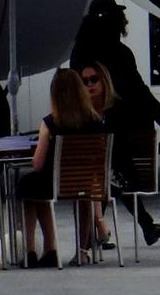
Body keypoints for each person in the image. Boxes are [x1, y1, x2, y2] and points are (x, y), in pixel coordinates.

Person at [16, 68, 106, 267]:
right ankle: (81, 251)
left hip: (54, 185)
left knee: (28, 185)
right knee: (81, 196)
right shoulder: (96, 123)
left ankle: (33, 248)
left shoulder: (50, 123)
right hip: (84, 184)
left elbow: (38, 164)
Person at [78, 60, 160, 247]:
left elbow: (119, 148)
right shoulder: (81, 113)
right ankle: (145, 227)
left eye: (94, 80)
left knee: (108, 183)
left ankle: (92, 237)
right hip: (96, 174)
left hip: (122, 171)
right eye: (84, 81)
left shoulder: (116, 110)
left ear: (104, 81)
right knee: (100, 182)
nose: (89, 85)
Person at [70, 0, 160, 139]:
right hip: (123, 128)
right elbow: (138, 91)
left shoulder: (79, 52)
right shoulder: (120, 53)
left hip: (87, 125)